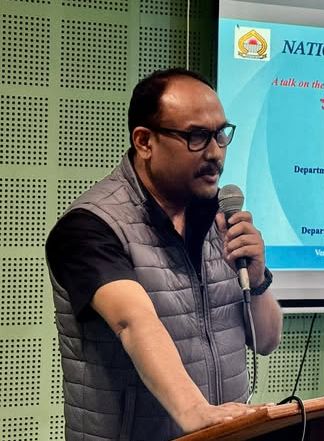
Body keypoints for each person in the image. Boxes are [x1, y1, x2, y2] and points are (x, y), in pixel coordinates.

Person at [45, 68, 283, 441]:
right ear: (144, 141)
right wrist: (197, 412)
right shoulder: (90, 228)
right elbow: (133, 322)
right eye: (196, 136)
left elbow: (266, 341)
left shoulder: (221, 218)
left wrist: (256, 280)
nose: (215, 152)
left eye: (220, 134)